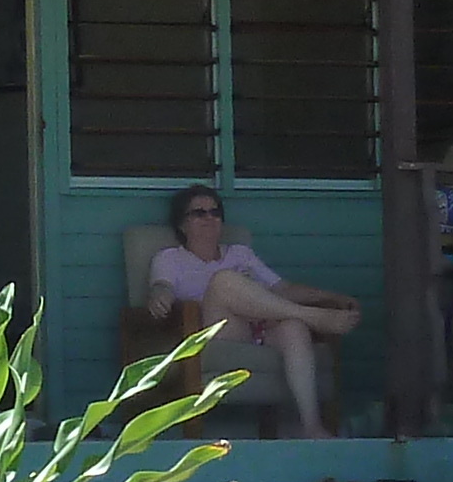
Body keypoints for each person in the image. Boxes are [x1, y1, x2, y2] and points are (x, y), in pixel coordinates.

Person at [146, 184, 364, 440]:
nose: (210, 218)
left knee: (293, 327)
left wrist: (331, 297)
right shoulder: (170, 258)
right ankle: (314, 316)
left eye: (215, 213)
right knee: (223, 281)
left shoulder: (240, 253)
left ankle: (311, 425)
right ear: (182, 224)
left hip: (257, 329)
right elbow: (162, 286)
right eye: (199, 213)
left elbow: (282, 288)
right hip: (212, 332)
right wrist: (159, 296)